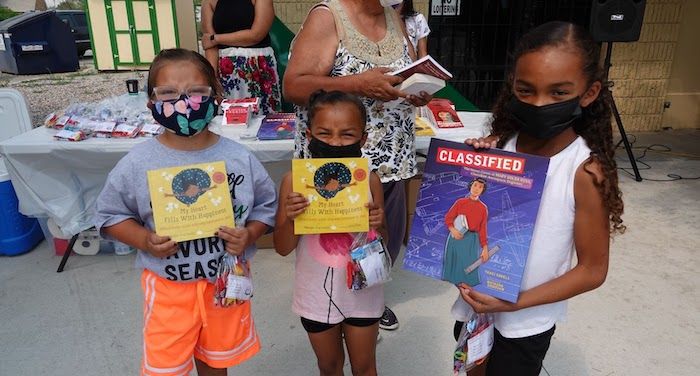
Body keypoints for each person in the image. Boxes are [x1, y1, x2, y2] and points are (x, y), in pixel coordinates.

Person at [454, 21, 625, 376]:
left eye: (559, 93)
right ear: (512, 86)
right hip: (475, 307)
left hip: (525, 323)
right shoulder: (500, 148)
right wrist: (468, 166)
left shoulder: (584, 172)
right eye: (526, 90)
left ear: (589, 93)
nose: (539, 103)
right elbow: (469, 217)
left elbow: (593, 271)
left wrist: (515, 302)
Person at [93, 48, 277, 376]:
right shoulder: (137, 163)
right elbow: (109, 215)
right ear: (151, 103)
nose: (183, 101)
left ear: (216, 97)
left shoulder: (238, 158)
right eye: (167, 93)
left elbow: (266, 206)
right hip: (168, 290)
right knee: (166, 368)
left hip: (224, 283)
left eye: (196, 92)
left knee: (215, 362)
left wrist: (250, 233)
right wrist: (145, 240)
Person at [284, 0, 432, 332]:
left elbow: (403, 73)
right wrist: (355, 85)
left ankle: (367, 305)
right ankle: (330, 306)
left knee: (378, 241)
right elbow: (293, 86)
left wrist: (413, 90)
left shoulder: (394, 17)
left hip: (390, 161)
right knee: (330, 250)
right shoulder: (328, 16)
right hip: (337, 166)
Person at [273, 90, 387, 376]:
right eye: (325, 133)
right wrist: (290, 217)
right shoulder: (294, 182)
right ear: (310, 135)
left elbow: (382, 238)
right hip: (315, 295)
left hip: (363, 291)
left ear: (363, 139)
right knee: (329, 366)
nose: (335, 142)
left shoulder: (370, 179)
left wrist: (377, 221)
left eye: (347, 134)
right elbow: (282, 246)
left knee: (364, 366)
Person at [201, 0, 281, 115]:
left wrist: (217, 39)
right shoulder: (209, 2)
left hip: (258, 67)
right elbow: (209, 43)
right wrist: (212, 78)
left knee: (264, 119)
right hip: (225, 71)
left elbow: (256, 35)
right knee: (228, 118)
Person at [442, 177, 489, 286]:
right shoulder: (460, 202)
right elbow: (448, 218)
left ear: (483, 190)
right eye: (475, 185)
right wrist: (452, 229)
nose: (477, 189)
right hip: (456, 236)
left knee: (468, 267)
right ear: (470, 186)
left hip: (471, 240)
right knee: (452, 267)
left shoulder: (483, 208)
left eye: (480, 187)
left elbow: (483, 228)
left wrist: (485, 248)